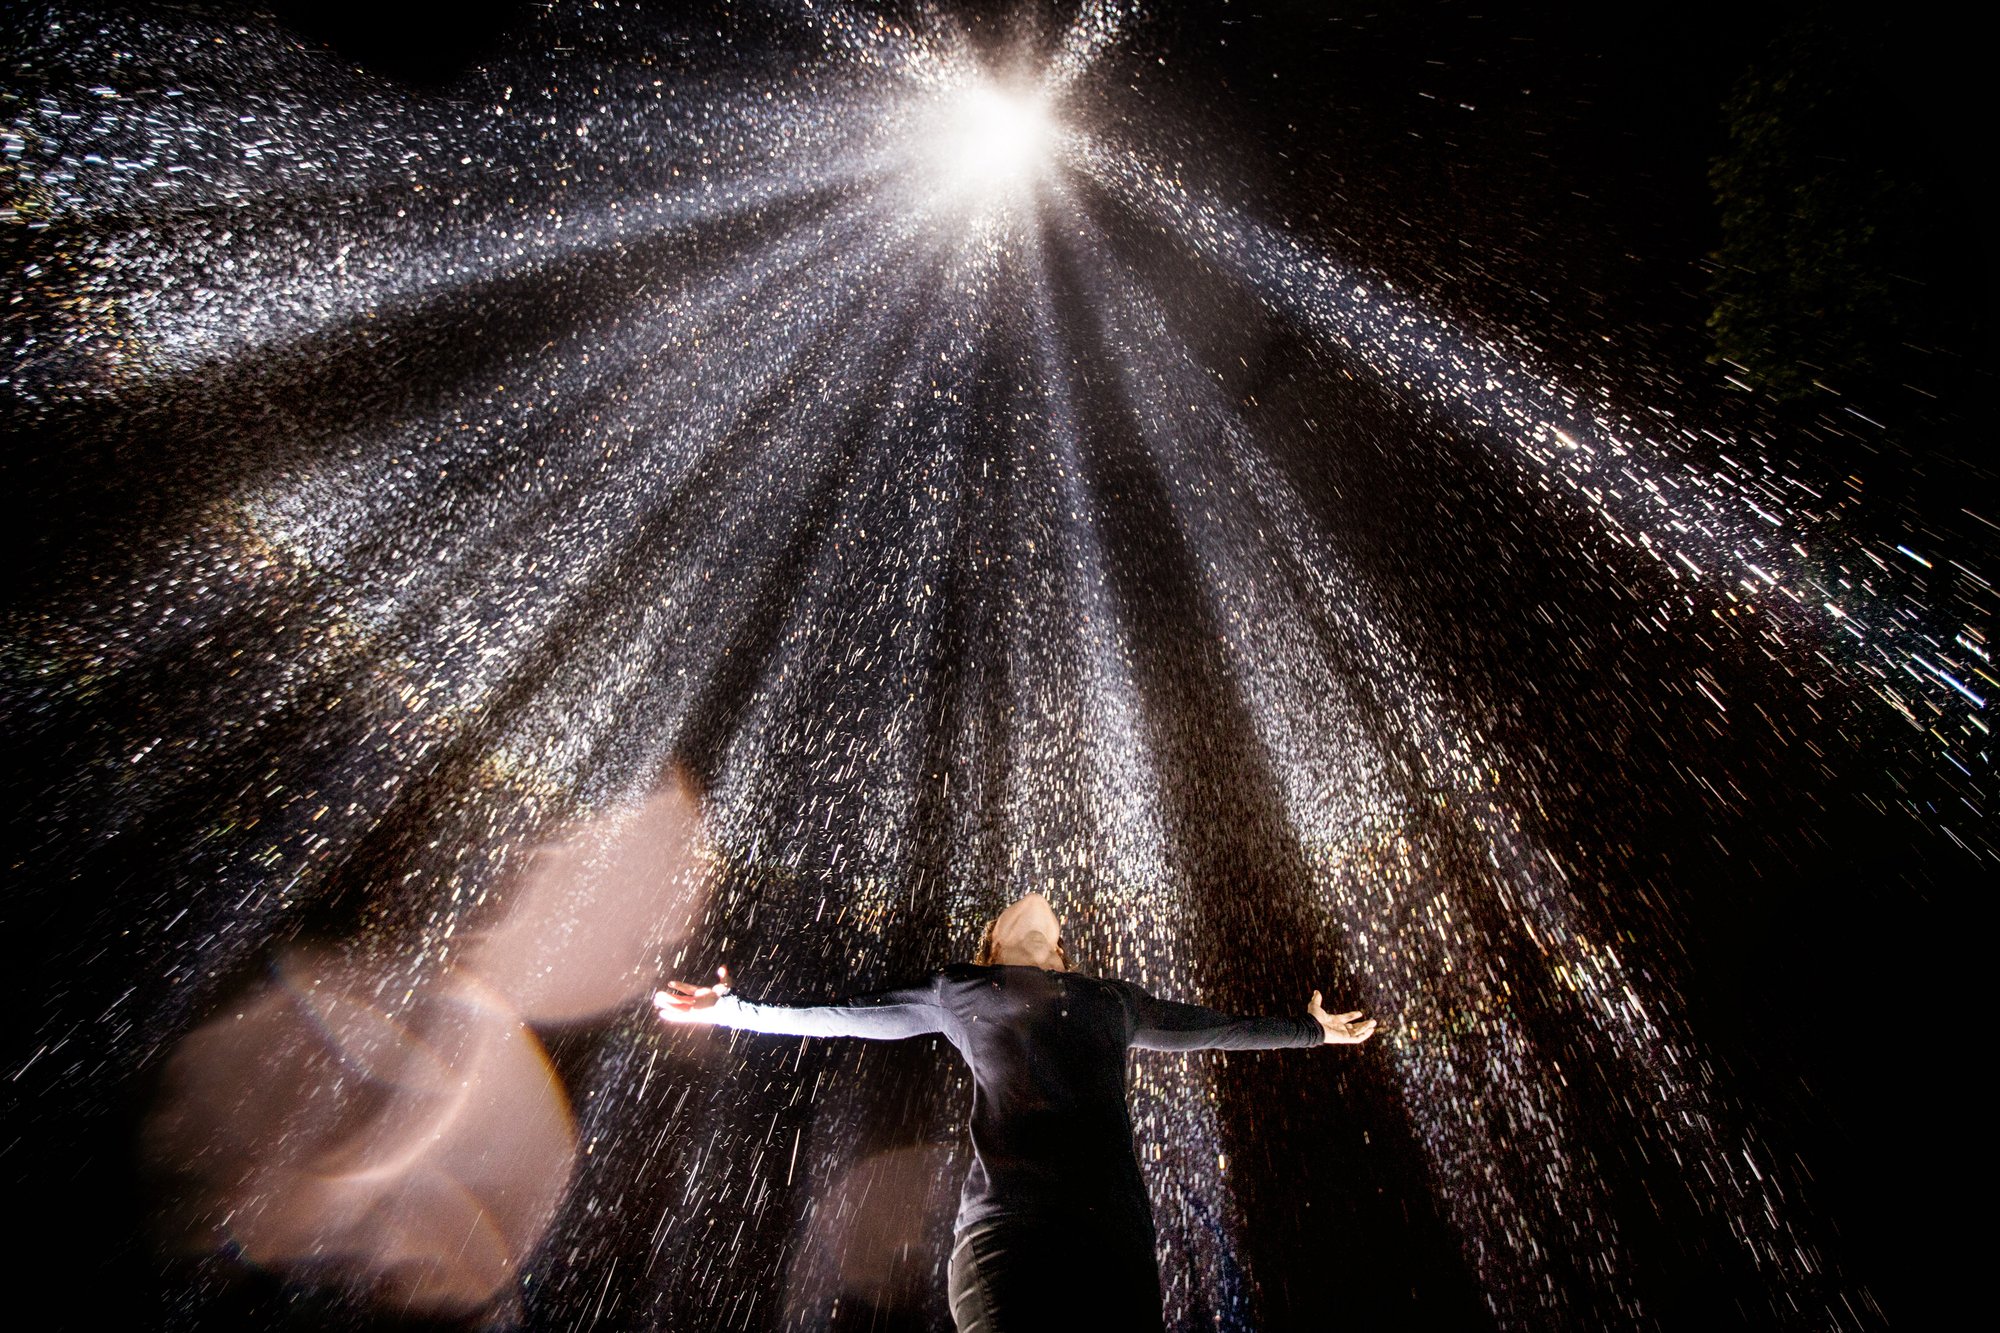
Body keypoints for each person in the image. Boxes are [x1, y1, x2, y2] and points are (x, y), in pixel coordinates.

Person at [654, 891, 1376, 1332]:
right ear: (993, 942)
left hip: (1112, 1244)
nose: (1031, 898)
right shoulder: (963, 990)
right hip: (1008, 1238)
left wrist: (1311, 1029)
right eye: (1007, 913)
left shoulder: (1113, 1001)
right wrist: (738, 1009)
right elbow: (847, 1013)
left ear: (1062, 950)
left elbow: (1215, 1027)